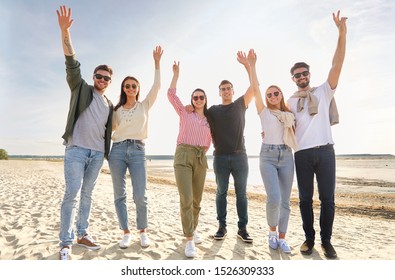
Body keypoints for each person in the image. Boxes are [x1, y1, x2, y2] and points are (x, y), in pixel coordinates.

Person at [286, 11, 347, 259]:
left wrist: (341, 32)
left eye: (304, 73)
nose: (301, 77)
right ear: (293, 79)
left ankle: (326, 241)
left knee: (328, 199)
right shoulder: (289, 101)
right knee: (304, 200)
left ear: (309, 74)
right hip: (301, 154)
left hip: (325, 151)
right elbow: (279, 122)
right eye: (297, 75)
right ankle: (309, 239)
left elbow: (338, 64)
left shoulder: (323, 92)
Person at [56, 5, 114, 260]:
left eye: (105, 79)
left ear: (110, 82)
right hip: (76, 150)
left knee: (88, 194)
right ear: (93, 77)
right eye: (98, 77)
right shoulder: (81, 88)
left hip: (97, 154)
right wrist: (64, 32)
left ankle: (83, 233)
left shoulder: (110, 104)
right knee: (72, 193)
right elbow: (71, 61)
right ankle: (66, 242)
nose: (101, 80)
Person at [243, 50, 297, 253]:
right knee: (273, 198)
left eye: (276, 93)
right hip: (267, 156)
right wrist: (251, 66)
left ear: (281, 95)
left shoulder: (289, 114)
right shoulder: (263, 111)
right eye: (269, 94)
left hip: (286, 156)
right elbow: (255, 88)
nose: (273, 96)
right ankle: (271, 232)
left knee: (285, 200)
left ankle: (282, 238)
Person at [108, 46, 163, 250]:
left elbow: (157, 87)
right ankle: (125, 233)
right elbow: (107, 130)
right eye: (128, 86)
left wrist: (157, 64)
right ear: (123, 88)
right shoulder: (116, 110)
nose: (131, 88)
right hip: (118, 151)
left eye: (134, 86)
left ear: (138, 89)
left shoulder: (144, 105)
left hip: (138, 151)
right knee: (119, 194)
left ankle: (143, 232)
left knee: (140, 194)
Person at [208, 51, 255, 243]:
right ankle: (222, 226)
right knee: (221, 192)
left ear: (233, 92)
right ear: (219, 92)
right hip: (220, 157)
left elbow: (254, 87)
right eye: (223, 89)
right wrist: (188, 106)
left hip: (240, 157)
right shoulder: (212, 110)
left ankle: (242, 228)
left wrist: (247, 66)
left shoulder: (240, 105)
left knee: (241, 194)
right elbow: (196, 112)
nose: (226, 91)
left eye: (229, 88)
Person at [167, 61, 212, 258]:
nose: (198, 99)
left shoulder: (211, 120)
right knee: (186, 198)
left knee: (197, 200)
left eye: (201, 97)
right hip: (183, 155)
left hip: (202, 157)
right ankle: (189, 239)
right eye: (195, 97)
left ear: (205, 99)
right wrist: (176, 74)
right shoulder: (185, 112)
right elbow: (171, 95)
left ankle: (192, 229)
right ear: (192, 100)